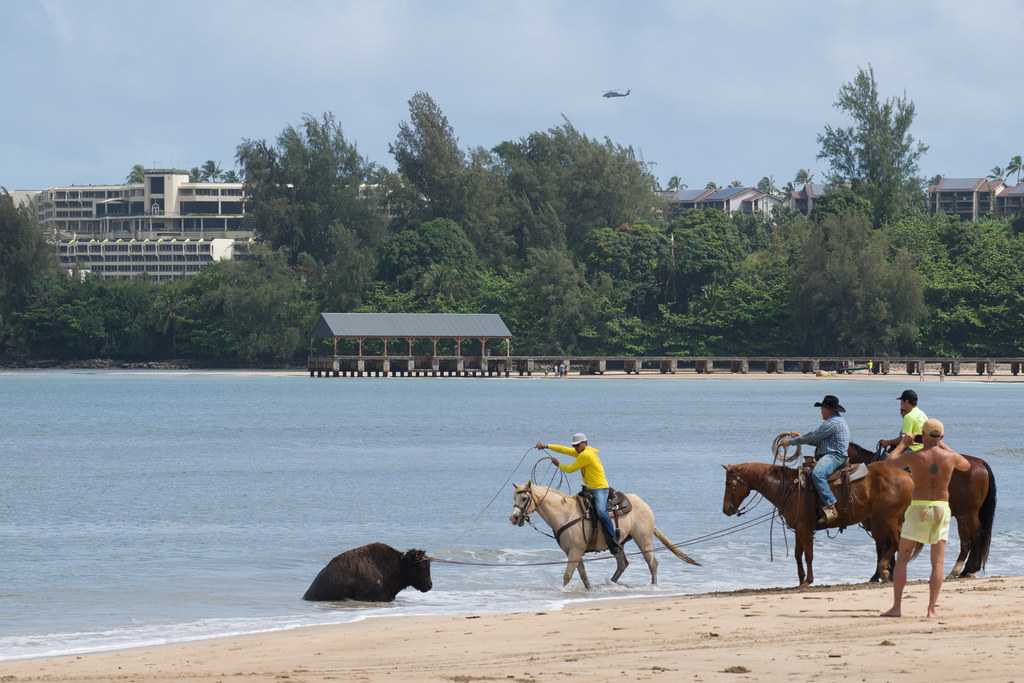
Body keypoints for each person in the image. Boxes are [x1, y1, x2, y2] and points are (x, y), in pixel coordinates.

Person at [881, 418, 970, 618]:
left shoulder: (915, 457)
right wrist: (943, 444)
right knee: (937, 562)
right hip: (940, 508)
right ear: (942, 436)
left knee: (902, 559)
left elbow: (888, 462)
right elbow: (966, 466)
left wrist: (903, 443)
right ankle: (931, 609)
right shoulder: (951, 458)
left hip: (919, 507)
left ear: (923, 434)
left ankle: (897, 607)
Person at [535, 433, 628, 571]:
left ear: (585, 443)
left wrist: (558, 464)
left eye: (577, 445)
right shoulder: (582, 451)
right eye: (574, 446)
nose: (575, 448)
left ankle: (613, 539)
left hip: (599, 489)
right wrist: (547, 446)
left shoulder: (586, 455)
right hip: (588, 489)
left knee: (602, 512)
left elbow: (570, 469)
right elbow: (565, 450)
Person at [781, 395, 850, 524]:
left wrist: (790, 442)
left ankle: (831, 505)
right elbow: (817, 440)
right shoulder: (833, 422)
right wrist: (801, 438)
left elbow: (814, 436)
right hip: (829, 454)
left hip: (835, 456)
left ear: (829, 409)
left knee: (817, 474)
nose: (821, 411)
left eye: (822, 409)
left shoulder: (833, 423)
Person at [878, 389, 927, 454]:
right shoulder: (922, 414)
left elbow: (904, 440)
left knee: (889, 459)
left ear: (906, 401)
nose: (900, 404)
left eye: (901, 401)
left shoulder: (909, 416)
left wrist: (887, 442)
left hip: (914, 449)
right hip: (925, 447)